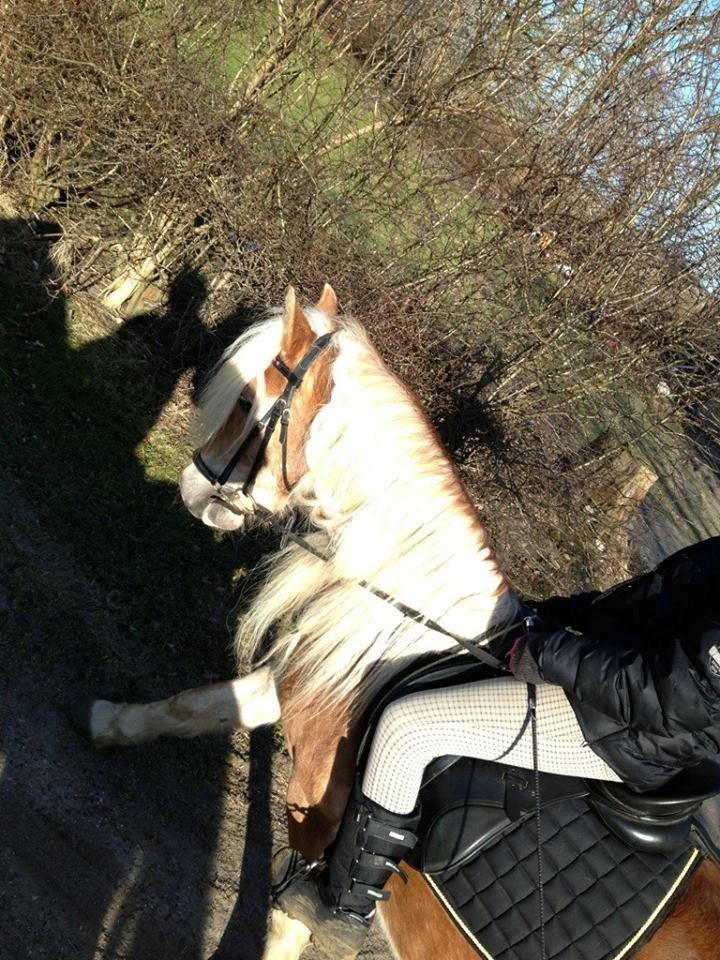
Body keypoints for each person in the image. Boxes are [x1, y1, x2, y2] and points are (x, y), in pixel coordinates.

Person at [276, 537, 720, 957]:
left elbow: (675, 697)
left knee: (407, 728)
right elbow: (650, 607)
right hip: (621, 698)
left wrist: (546, 653)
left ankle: (342, 906)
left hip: (628, 730)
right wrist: (559, 614)